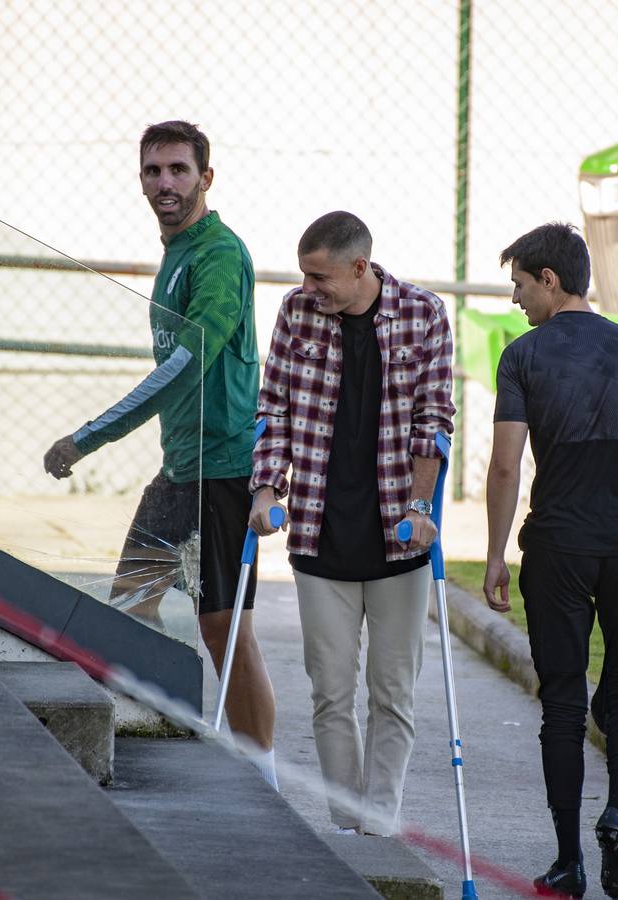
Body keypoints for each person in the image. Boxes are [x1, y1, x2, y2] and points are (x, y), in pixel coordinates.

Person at [42, 120, 277, 787]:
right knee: (130, 608)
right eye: (153, 171)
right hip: (179, 472)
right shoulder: (178, 253)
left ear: (207, 177)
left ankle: (264, 783)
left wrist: (88, 437)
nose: (165, 183)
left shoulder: (219, 255)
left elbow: (187, 363)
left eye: (178, 170)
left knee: (225, 631)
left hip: (225, 472)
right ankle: (147, 742)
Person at [481, 222, 618, 899]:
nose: (514, 299)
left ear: (549, 279)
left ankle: (567, 862)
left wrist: (493, 555)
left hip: (558, 547)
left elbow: (507, 465)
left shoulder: (523, 358)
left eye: (518, 285)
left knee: (562, 704)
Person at [248, 211, 454, 836]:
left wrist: (421, 510)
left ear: (359, 267)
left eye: (320, 277)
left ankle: (380, 824)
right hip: (318, 536)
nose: (309, 288)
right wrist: (264, 488)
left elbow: (434, 420)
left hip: (399, 544)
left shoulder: (424, 316)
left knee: (392, 695)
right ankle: (349, 829)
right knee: (331, 693)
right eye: (304, 276)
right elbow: (274, 405)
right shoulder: (296, 312)